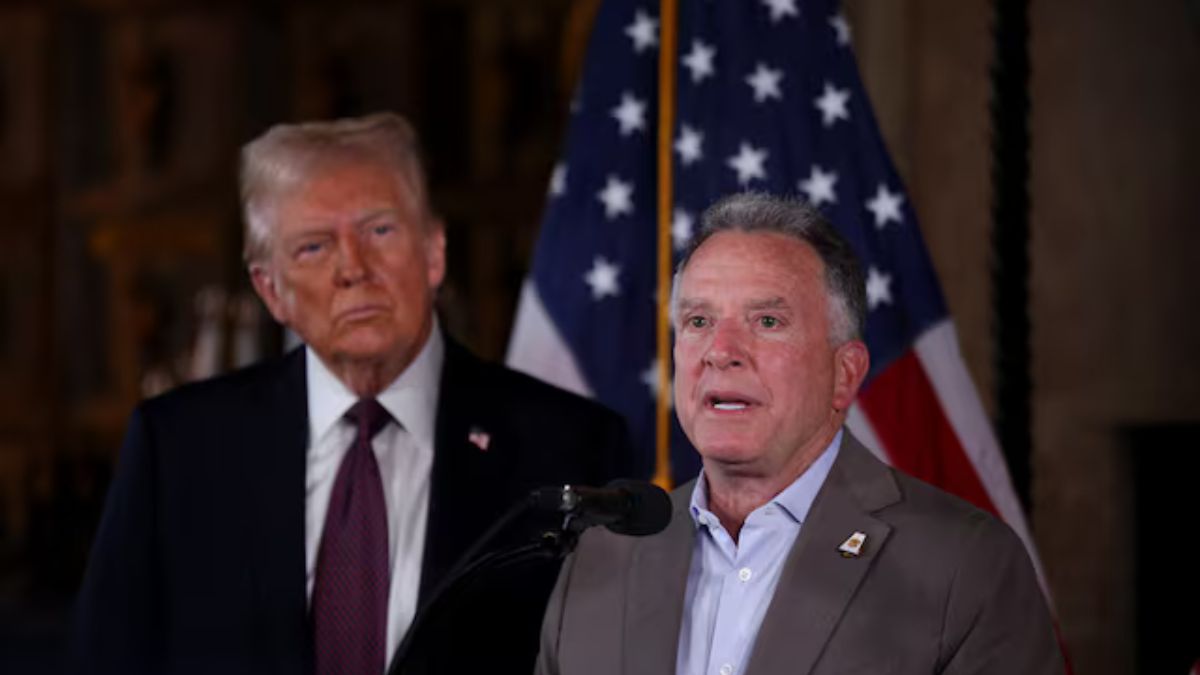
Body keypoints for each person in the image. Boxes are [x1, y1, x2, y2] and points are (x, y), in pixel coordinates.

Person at [70, 113, 633, 675]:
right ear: (271, 290)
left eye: (379, 231)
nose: (353, 268)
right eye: (313, 247)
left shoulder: (570, 445)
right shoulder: (179, 451)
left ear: (434, 250)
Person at [536, 193, 1062, 675]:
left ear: (845, 374)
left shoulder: (965, 568)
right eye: (698, 322)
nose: (721, 350)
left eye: (766, 321)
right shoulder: (599, 562)